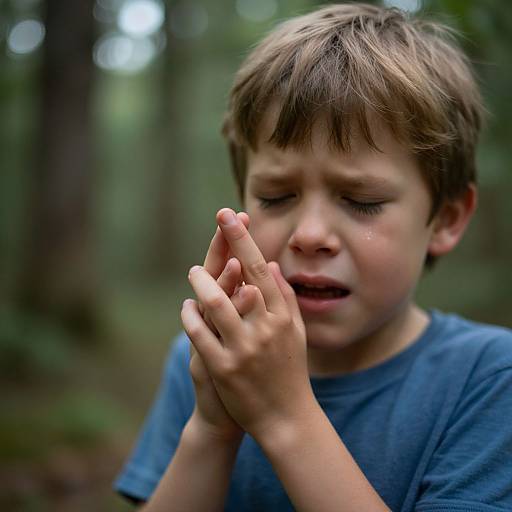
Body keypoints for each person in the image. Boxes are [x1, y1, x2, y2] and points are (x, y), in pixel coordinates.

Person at [114, 3, 512, 511]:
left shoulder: (490, 382)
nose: (310, 234)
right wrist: (212, 429)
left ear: (446, 218)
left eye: (362, 201)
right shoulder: (204, 360)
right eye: (277, 197)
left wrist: (284, 417)